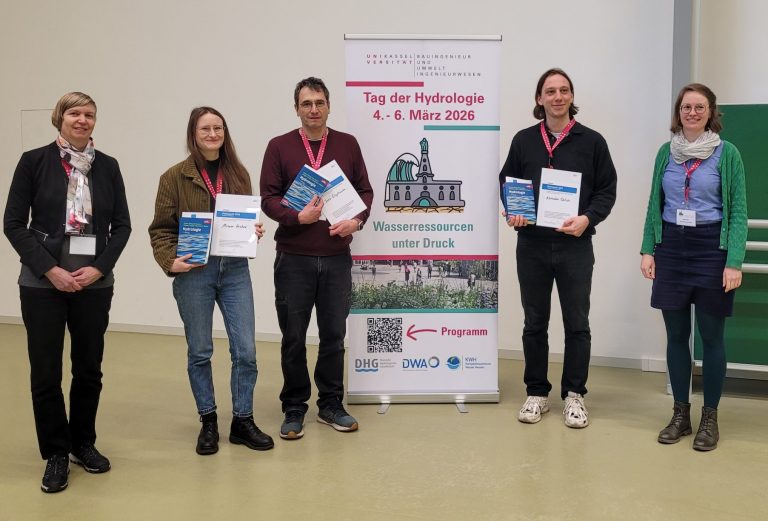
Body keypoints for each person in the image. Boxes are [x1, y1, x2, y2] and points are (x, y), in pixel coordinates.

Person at [3, 92, 131, 493]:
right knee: (45, 372)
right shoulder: (33, 162)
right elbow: (13, 223)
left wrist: (99, 268)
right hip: (43, 284)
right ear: (60, 118)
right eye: (74, 113)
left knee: (89, 369)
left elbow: (122, 226)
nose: (82, 120)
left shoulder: (108, 166)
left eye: (89, 114)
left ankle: (82, 443)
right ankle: (56, 452)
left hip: (94, 284)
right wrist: (50, 269)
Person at [149, 107, 273, 456]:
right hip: (194, 273)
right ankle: (208, 420)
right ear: (193, 133)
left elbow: (244, 219)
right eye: (205, 128)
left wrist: (252, 231)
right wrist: (170, 260)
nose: (213, 134)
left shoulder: (238, 173)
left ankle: (242, 421)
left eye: (218, 128)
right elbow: (160, 229)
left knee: (246, 351)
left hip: (234, 271)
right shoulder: (173, 177)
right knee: (200, 351)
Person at [499, 68, 617, 428]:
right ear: (540, 98)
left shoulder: (592, 141)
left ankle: (574, 394)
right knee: (534, 322)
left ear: (571, 96)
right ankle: (537, 392)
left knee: (577, 323)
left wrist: (588, 218)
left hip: (575, 246)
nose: (558, 97)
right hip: (532, 245)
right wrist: (514, 211)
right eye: (550, 91)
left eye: (564, 90)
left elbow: (607, 190)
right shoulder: (524, 140)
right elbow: (507, 181)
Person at [260, 76, 373, 440]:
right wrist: (297, 217)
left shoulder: (347, 144)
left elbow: (365, 191)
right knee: (293, 336)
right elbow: (268, 198)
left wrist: (356, 221)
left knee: (333, 335)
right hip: (293, 258)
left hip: (336, 258)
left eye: (319, 102)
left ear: (328, 106)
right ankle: (294, 407)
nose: (313, 109)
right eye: (306, 103)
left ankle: (330, 404)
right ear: (296, 109)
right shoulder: (279, 147)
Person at [640, 83, 747, 451]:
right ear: (679, 112)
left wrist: (733, 261)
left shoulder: (727, 153)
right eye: (686, 107)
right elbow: (654, 204)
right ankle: (680, 415)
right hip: (671, 246)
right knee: (675, 335)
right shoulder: (665, 153)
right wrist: (648, 249)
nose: (692, 113)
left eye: (700, 107)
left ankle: (710, 418)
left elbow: (739, 212)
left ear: (711, 112)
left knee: (712, 336)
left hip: (711, 249)